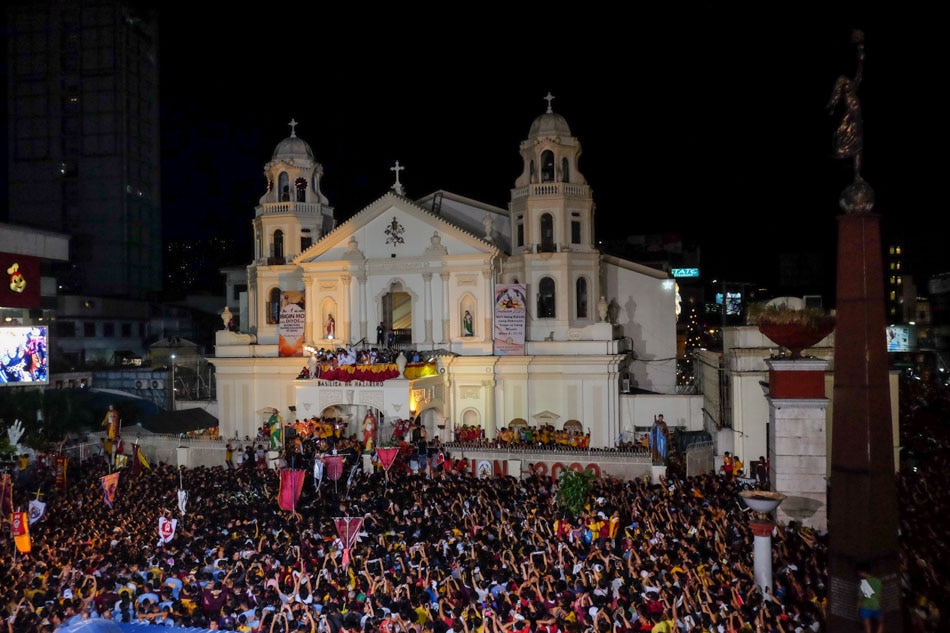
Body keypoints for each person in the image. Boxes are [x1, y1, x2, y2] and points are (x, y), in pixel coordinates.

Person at [857, 564, 884, 633]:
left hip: (865, 607)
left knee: (867, 627)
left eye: (859, 572)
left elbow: (860, 598)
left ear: (863, 572)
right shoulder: (878, 581)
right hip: (876, 605)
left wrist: (857, 609)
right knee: (880, 623)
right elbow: (880, 595)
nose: (859, 574)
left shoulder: (862, 583)